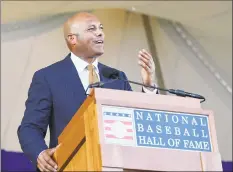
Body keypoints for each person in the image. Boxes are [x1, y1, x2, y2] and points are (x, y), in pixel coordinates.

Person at [17, 12, 157, 172]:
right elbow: (30, 127)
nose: (100, 33)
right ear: (72, 39)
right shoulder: (48, 77)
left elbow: (139, 123)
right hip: (69, 166)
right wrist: (40, 153)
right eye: (92, 29)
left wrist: (149, 85)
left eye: (101, 28)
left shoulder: (117, 77)